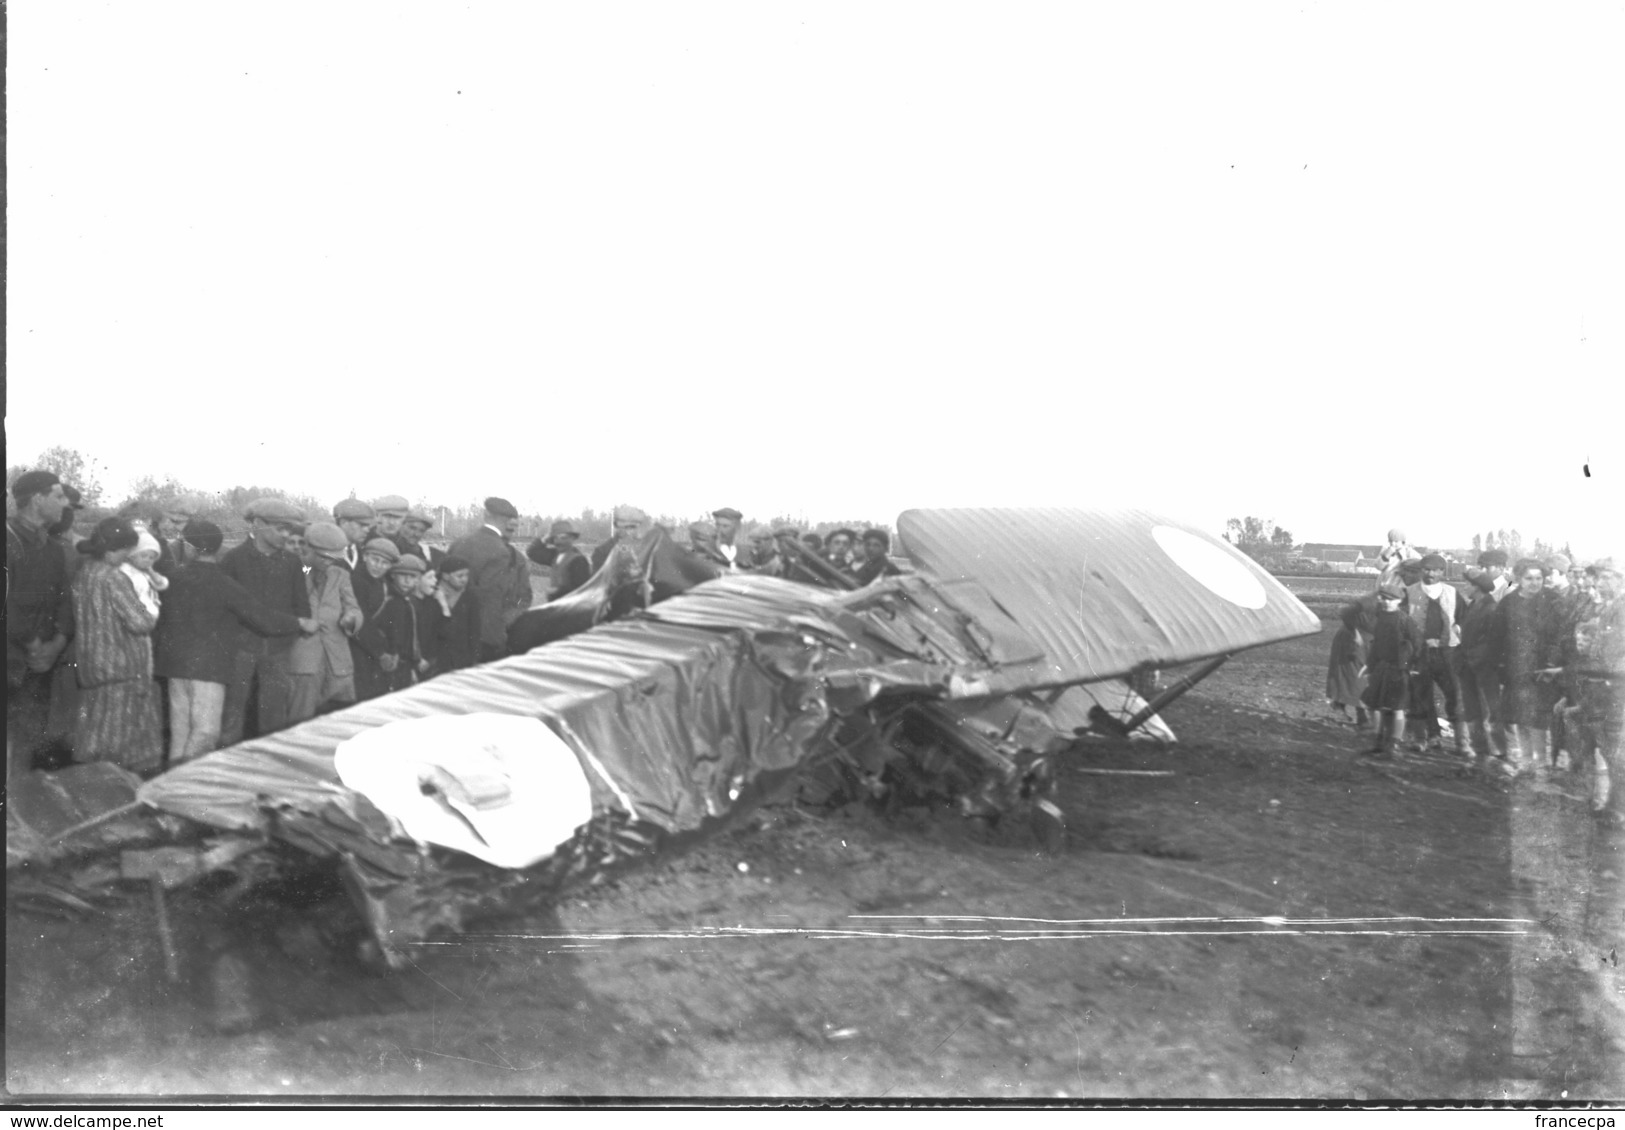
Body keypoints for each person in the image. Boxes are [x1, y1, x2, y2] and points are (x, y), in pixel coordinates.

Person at [155, 520, 314, 762]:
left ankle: (172, 783)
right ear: (216, 548)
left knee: (180, 731)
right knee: (205, 731)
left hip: (175, 667)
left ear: (190, 547)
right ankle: (193, 785)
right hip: (209, 668)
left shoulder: (170, 579)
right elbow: (263, 618)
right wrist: (299, 623)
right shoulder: (224, 584)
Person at [70, 518, 164, 775]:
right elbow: (140, 621)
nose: (128, 556)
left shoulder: (85, 571)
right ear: (115, 549)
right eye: (126, 550)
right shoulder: (114, 578)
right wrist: (150, 610)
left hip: (91, 666)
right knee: (119, 748)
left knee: (94, 740)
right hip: (120, 670)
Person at [218, 498, 313, 745]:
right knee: (233, 716)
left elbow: (302, 606)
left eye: (289, 530)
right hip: (240, 650)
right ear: (259, 524)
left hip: (278, 651)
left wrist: (287, 635)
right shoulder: (232, 560)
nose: (286, 535)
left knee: (274, 719)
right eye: (280, 528)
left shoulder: (293, 563)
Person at [7, 470, 75, 779]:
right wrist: (35, 645)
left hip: (40, 665)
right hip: (11, 661)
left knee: (28, 741)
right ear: (37, 499)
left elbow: (64, 600)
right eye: (58, 496)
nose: (64, 504)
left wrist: (58, 642)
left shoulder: (53, 548)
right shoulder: (7, 540)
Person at [1557, 562, 1624, 826]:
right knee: (1586, 733)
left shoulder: (1621, 608)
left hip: (1615, 688)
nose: (1600, 583)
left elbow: (1615, 652)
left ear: (1620, 579)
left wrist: (1607, 678)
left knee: (1615, 750)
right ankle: (1596, 800)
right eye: (1600, 578)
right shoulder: (1609, 607)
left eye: (1607, 578)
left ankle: (1617, 809)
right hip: (1600, 685)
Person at [287, 522, 363, 722]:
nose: (330, 562)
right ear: (307, 548)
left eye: (334, 558)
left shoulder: (341, 575)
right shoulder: (293, 571)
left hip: (338, 663)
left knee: (341, 722)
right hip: (304, 663)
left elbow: (353, 607)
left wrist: (351, 619)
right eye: (324, 557)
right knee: (300, 722)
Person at [447, 497, 534, 663]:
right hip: (483, 636)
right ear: (508, 522)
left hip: (451, 630)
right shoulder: (500, 551)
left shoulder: (459, 543)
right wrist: (497, 637)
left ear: (487, 515)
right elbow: (491, 598)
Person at [1496, 558, 1560, 777]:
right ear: (1519, 579)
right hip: (1517, 667)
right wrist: (1502, 666)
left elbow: (1559, 635)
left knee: (1538, 719)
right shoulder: (1508, 602)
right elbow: (1500, 636)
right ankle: (1525, 761)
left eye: (1539, 578)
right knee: (1519, 716)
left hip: (1542, 669)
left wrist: (1551, 662)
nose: (1534, 583)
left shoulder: (1552, 601)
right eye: (1529, 578)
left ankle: (1540, 764)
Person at [1405, 553, 1473, 757]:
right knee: (1419, 695)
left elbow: (1464, 619)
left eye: (1435, 570)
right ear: (1420, 571)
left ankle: (1463, 743)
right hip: (1420, 654)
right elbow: (1401, 622)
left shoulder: (1453, 593)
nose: (1430, 574)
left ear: (1443, 572)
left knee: (1456, 695)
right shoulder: (1408, 593)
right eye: (1426, 569)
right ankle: (1422, 739)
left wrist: (1457, 633)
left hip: (1448, 653)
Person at [1360, 580, 1421, 758]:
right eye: (1384, 599)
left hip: (1399, 669)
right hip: (1381, 667)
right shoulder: (1380, 619)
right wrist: (1369, 666)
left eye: (1392, 600)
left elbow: (1417, 644)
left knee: (1397, 707)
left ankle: (1394, 744)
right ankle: (1379, 741)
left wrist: (1413, 666)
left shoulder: (1404, 620)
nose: (1387, 602)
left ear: (1399, 602)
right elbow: (1377, 645)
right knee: (1374, 704)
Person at [1456, 571, 1508, 769]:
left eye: (1467, 584)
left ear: (1477, 587)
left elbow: (1493, 642)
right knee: (1472, 710)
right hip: (1469, 666)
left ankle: (1498, 754)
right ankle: (1480, 752)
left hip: (1485, 667)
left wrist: (1475, 658)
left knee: (1490, 710)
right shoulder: (1473, 606)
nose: (1465, 587)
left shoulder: (1491, 609)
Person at [349, 538, 402, 699]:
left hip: (377, 650)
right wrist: (381, 653)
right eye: (374, 559)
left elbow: (392, 620)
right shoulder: (356, 581)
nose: (378, 566)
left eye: (384, 563)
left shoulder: (384, 585)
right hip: (357, 647)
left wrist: (393, 651)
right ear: (365, 557)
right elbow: (360, 621)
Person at [425, 554, 481, 675]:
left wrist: (474, 658)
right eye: (459, 575)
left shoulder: (470, 597)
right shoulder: (432, 594)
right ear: (445, 576)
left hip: (461, 658)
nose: (464, 579)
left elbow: (474, 630)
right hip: (436, 659)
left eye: (466, 575)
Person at [1326, 605, 1369, 730]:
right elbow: (1345, 612)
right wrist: (1355, 632)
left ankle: (1339, 705)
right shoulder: (1371, 603)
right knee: (1357, 676)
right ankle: (1361, 716)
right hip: (1352, 639)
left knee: (1352, 675)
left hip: (1357, 637)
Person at [527, 519, 592, 599]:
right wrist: (545, 538)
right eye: (556, 538)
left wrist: (557, 591)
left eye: (563, 537)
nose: (559, 542)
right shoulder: (555, 555)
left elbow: (581, 589)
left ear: (571, 538)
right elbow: (532, 552)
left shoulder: (578, 559)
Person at [332, 498, 375, 571]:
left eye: (368, 526)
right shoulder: (327, 551)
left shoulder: (362, 553)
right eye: (362, 525)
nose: (367, 530)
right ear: (343, 522)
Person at [711, 508, 752, 572]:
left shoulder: (747, 553)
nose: (720, 530)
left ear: (737, 527)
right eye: (717, 525)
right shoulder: (709, 552)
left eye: (725, 526)